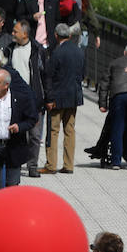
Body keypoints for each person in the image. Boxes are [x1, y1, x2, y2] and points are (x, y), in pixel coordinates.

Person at [40, 24, 84, 175]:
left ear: (56, 35)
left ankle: (51, 164)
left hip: (58, 98)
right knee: (69, 130)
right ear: (70, 36)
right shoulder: (79, 51)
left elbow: (49, 76)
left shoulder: (57, 53)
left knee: (53, 130)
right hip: (73, 97)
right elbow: (82, 74)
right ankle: (68, 164)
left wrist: (49, 98)